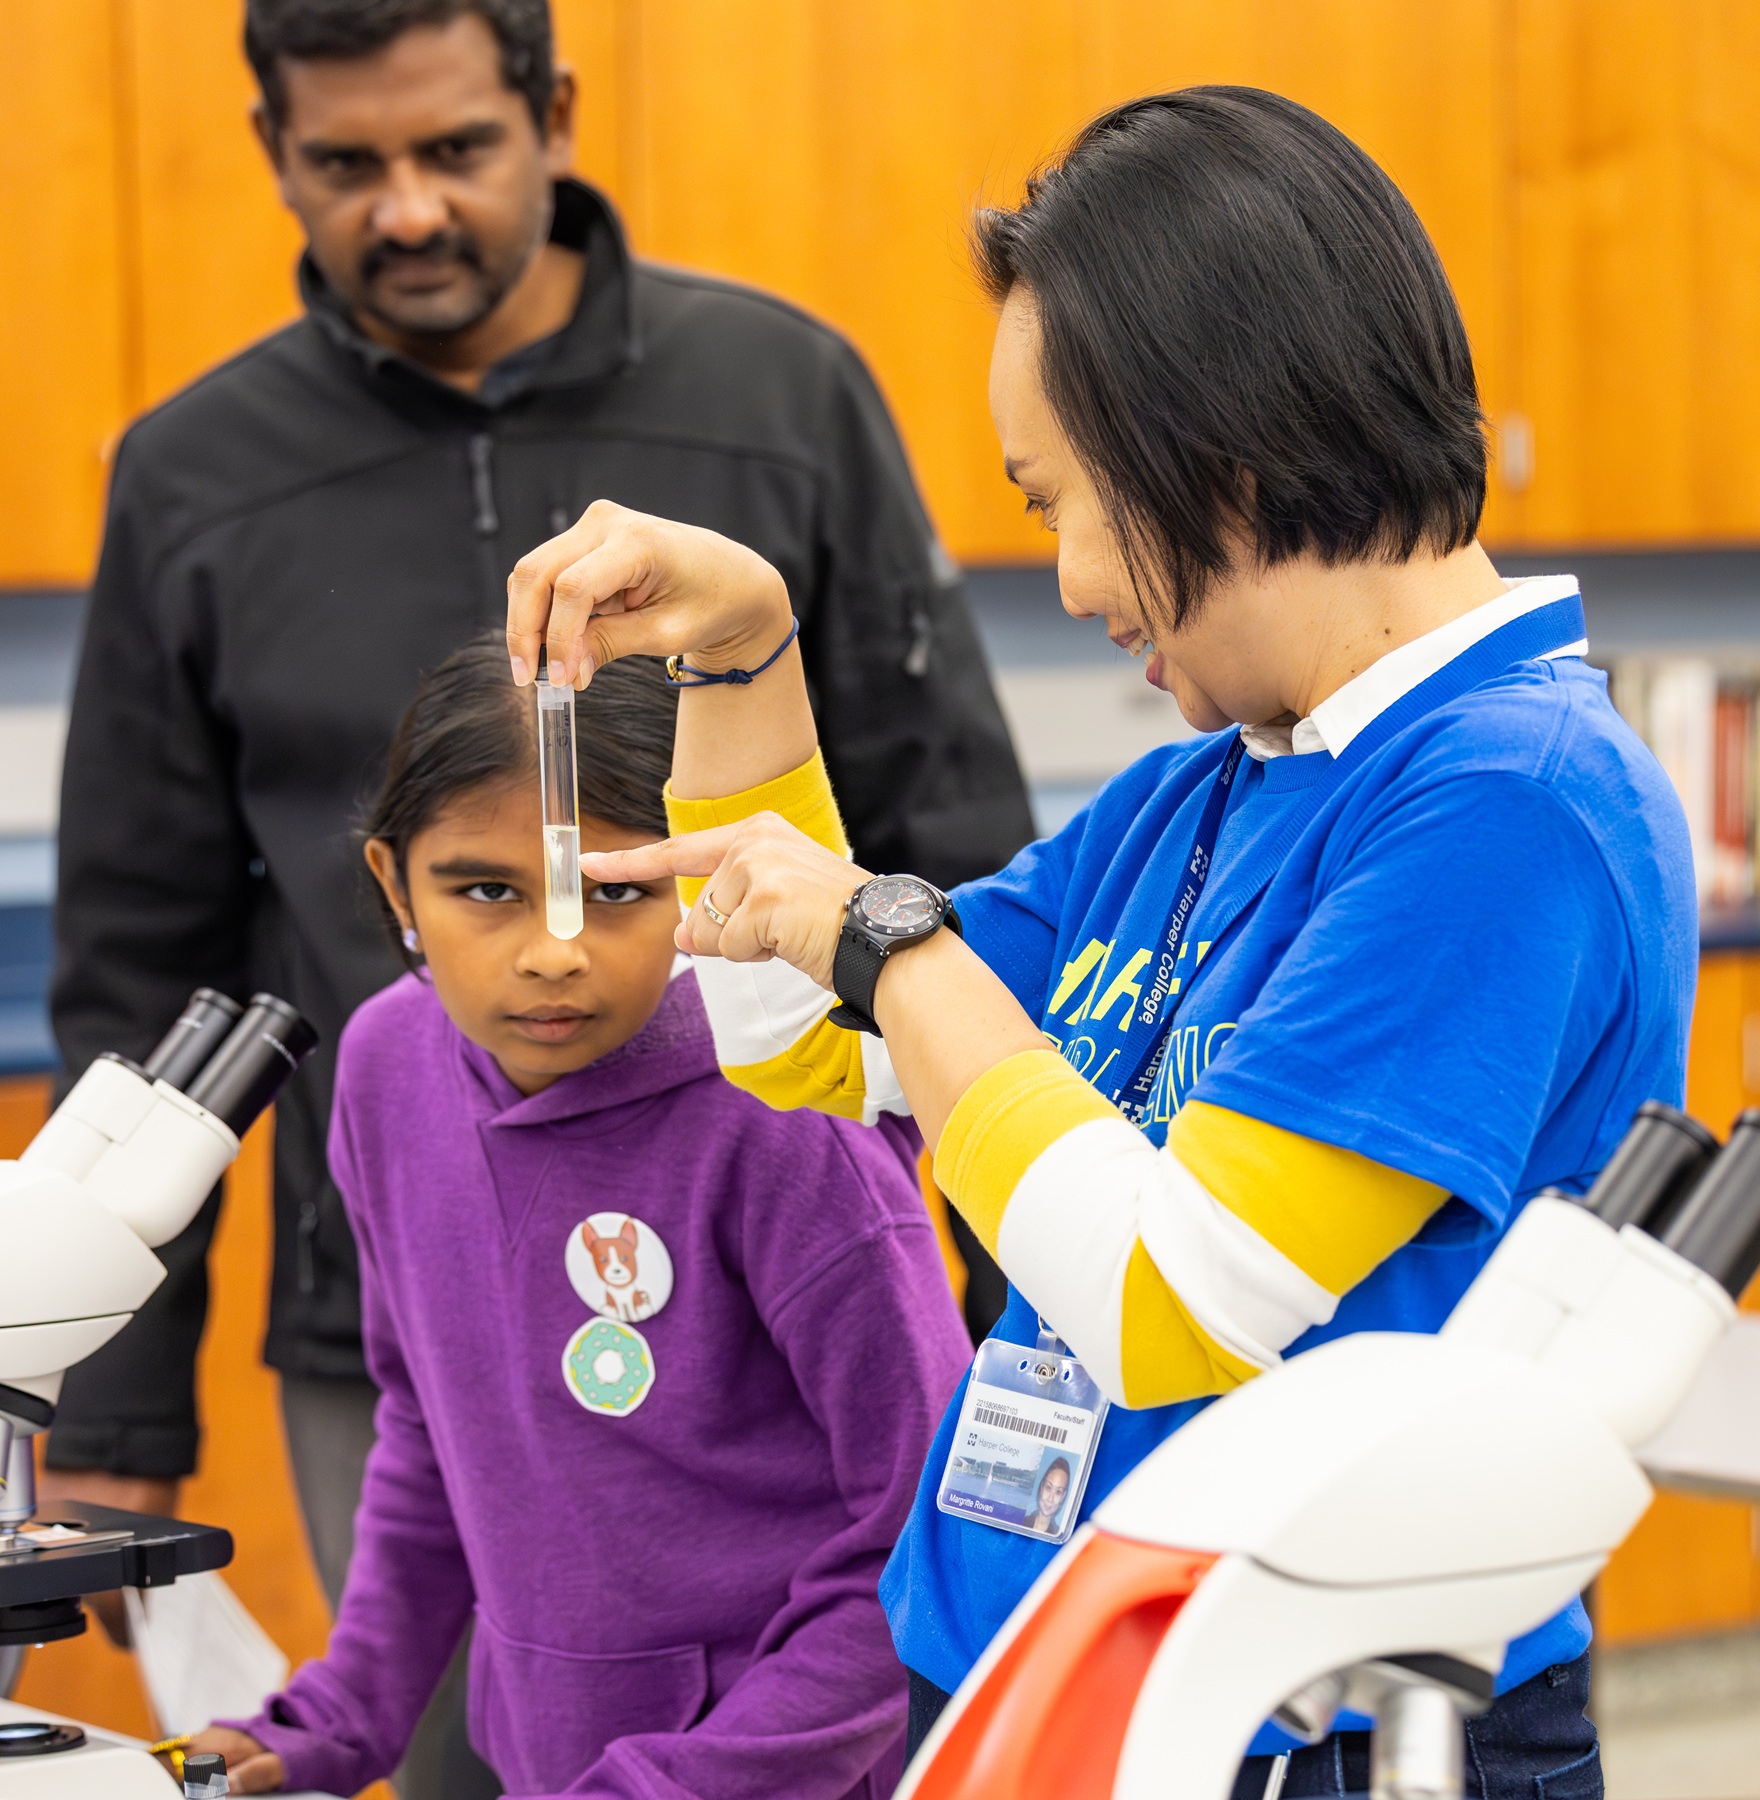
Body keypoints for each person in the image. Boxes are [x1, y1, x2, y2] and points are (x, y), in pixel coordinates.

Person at [502, 88, 1697, 1800]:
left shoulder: (1514, 797)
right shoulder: (1203, 790)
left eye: (1062, 501)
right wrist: (745, 662)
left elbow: (1178, 1298)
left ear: (1220, 456)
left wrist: (890, 938)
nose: (1065, 580)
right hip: (1035, 1663)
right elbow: (821, 1058)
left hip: (1316, 1723)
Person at [45, 0, 1026, 1736]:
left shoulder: (782, 395)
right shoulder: (189, 479)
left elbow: (952, 850)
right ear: (274, 150)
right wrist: (115, 1415)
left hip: (765, 1270)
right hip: (400, 1315)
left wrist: (1031, 1287)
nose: (407, 209)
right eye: (348, 166)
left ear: (554, 114)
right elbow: (141, 945)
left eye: (455, 150)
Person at [178, 637, 971, 1798]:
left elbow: (923, 1531)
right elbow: (430, 1425)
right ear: (394, 884)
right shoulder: (386, 1066)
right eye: (486, 890)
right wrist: (347, 1713)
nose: (554, 952)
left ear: (702, 884)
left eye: (617, 892)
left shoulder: (791, 1119)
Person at [1022, 1457, 1070, 1536]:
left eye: (1058, 1492)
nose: (1050, 1499)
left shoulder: (1058, 1537)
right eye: (1048, 1488)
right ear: (1041, 1487)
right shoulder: (1020, 1522)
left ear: (1063, 1496)